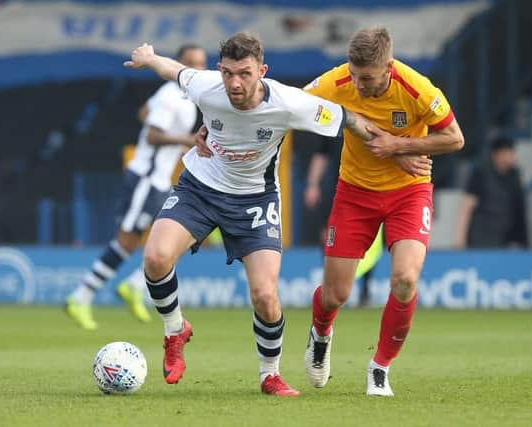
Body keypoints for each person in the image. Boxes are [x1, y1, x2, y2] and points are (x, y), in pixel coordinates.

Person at [122, 32, 377, 396]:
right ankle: (174, 329)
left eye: (244, 73)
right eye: (227, 73)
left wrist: (399, 147)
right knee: (155, 257)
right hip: (200, 188)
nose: (234, 83)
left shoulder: (290, 103)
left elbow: (349, 119)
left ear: (263, 71)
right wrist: (149, 57)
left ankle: (269, 375)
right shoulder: (208, 86)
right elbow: (175, 70)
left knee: (265, 295)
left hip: (255, 200)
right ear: (218, 70)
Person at [302, 26, 465, 396]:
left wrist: (400, 146)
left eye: (368, 78)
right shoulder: (337, 80)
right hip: (354, 194)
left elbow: (455, 138)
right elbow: (291, 105)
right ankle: (321, 333)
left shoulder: (418, 89)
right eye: (354, 75)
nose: (358, 85)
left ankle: (380, 368)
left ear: (389, 67)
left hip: (409, 194)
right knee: (334, 295)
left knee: (405, 280)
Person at [65, 45, 207, 331]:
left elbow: (144, 113)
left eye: (201, 64)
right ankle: (81, 296)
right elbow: (153, 135)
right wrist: (187, 139)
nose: (197, 69)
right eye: (191, 63)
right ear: (178, 63)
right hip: (146, 178)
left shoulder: (181, 96)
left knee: (183, 235)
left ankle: (133, 285)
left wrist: (174, 138)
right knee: (128, 241)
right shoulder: (170, 95)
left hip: (160, 181)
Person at [303, 136, 383, 307]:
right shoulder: (335, 115)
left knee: (370, 240)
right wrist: (313, 184)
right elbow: (321, 153)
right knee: (328, 236)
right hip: (336, 186)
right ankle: (329, 286)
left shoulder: (374, 115)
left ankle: (365, 291)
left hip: (369, 186)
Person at [455, 137, 528, 248]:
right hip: (480, 240)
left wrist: (521, 240)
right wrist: (460, 240)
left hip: (504, 241)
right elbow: (467, 207)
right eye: (507, 153)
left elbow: (519, 211)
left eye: (512, 153)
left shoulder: (514, 177)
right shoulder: (481, 174)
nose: (511, 157)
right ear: (497, 154)